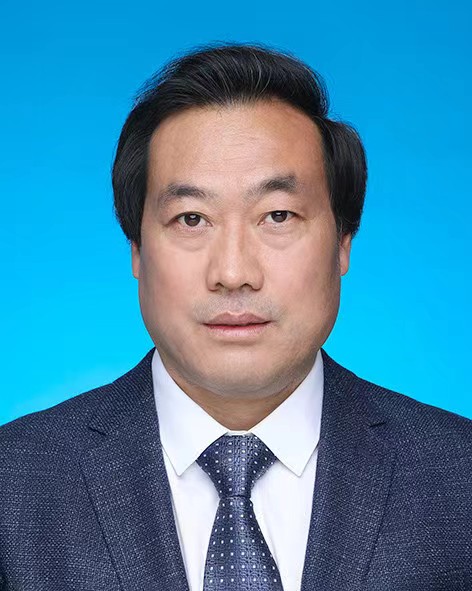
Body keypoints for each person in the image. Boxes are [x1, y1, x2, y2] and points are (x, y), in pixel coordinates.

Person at [0, 43, 471, 591]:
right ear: (136, 250)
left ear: (343, 242)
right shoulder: (16, 484)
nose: (233, 272)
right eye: (191, 218)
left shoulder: (456, 477)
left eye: (278, 215)